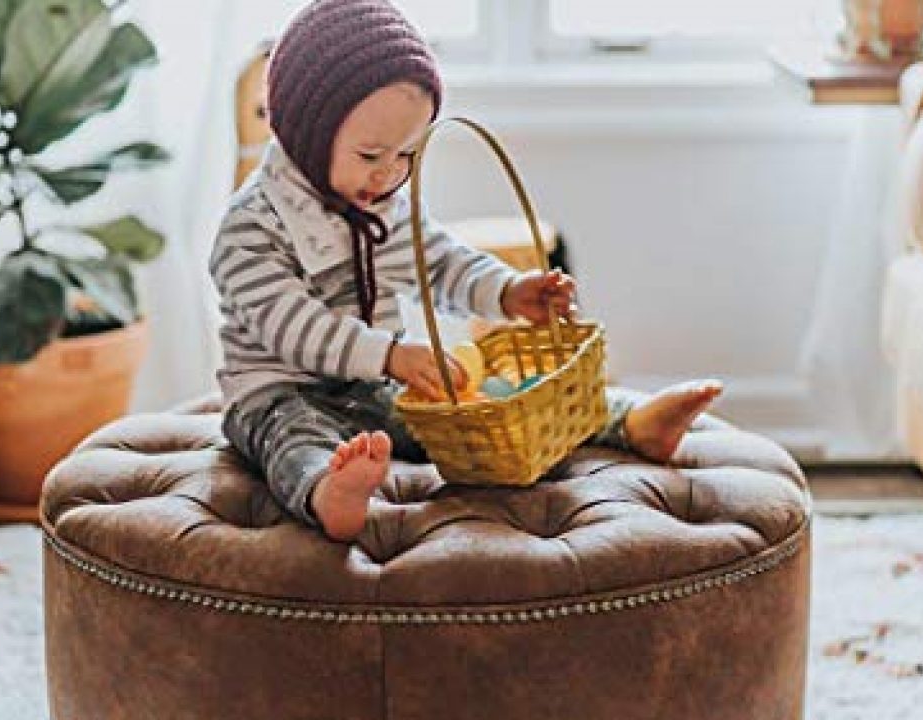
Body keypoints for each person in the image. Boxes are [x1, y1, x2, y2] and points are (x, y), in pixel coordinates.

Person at [211, 0, 723, 542]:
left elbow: (442, 259)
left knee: (485, 406)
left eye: (408, 155)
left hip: (373, 388)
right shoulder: (251, 227)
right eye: (370, 155)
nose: (389, 174)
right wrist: (391, 355)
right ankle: (326, 491)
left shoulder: (385, 204)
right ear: (305, 133)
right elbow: (292, 329)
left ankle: (628, 421)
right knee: (294, 438)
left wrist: (507, 292)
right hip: (279, 393)